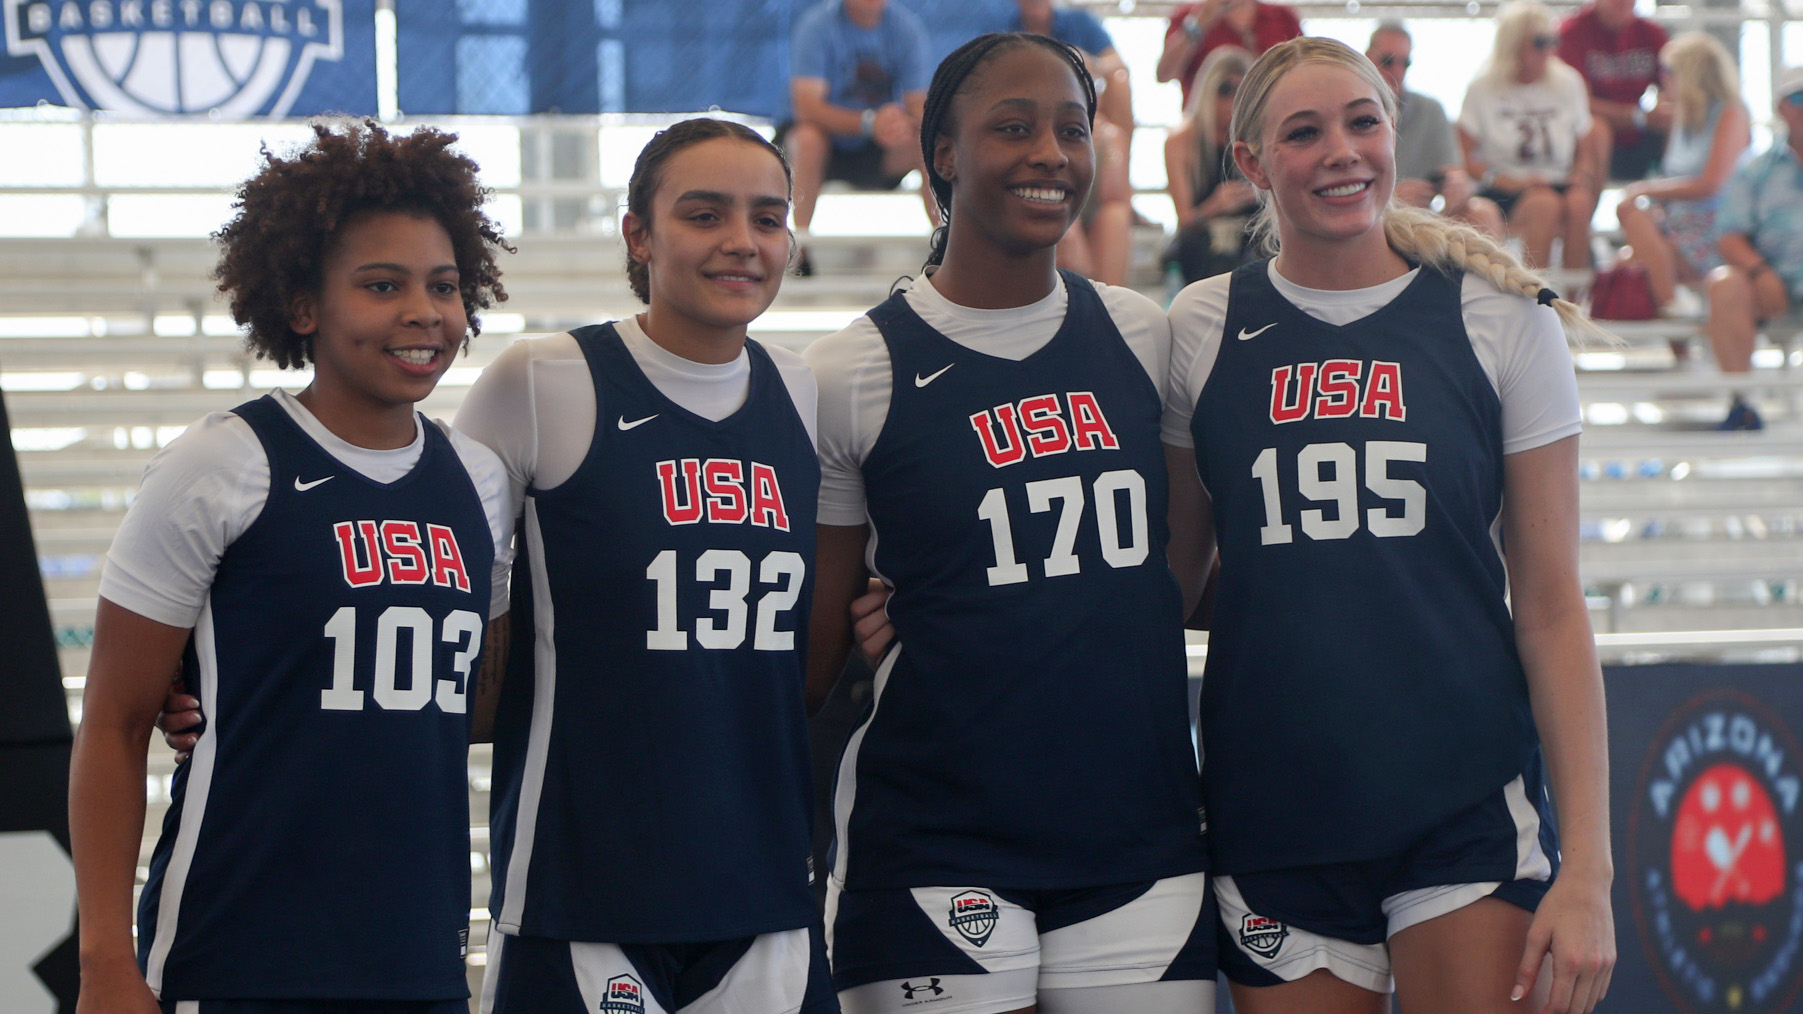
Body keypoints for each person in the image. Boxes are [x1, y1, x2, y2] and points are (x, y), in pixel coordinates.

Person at [1165, 35, 1616, 1014]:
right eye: (1303, 132)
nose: (1341, 150)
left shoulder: (1501, 316)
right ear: (1250, 163)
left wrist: (1589, 868)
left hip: (1462, 806)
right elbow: (1169, 588)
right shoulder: (1200, 326)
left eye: (1362, 122)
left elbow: (1550, 608)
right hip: (1271, 808)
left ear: (1393, 132)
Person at [804, 32, 1215, 1014]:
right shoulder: (851, 370)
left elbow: (1172, 576)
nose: (1050, 154)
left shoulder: (1142, 334)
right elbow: (816, 646)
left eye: (1072, 130)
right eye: (1014, 127)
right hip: (930, 840)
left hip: (1138, 836)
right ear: (943, 153)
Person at [70, 120, 517, 1014]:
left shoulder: (479, 480)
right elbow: (113, 724)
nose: (424, 311)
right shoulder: (222, 462)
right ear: (304, 307)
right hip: (234, 957)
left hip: (419, 962)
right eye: (382, 285)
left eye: (443, 285)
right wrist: (104, 963)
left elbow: (468, 707)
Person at [454, 118, 838, 1013]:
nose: (741, 241)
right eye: (704, 215)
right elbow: (434, 586)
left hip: (765, 892)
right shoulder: (541, 381)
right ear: (639, 234)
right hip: (581, 895)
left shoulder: (801, 391)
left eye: (767, 218)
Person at [1459, 1, 1606, 269]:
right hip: (1504, 185)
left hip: (1557, 178)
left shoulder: (1567, 82)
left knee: (1580, 202)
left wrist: (1581, 176)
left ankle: (1576, 290)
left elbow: (1585, 149)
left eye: (1553, 41)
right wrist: (1511, 182)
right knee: (1544, 204)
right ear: (1514, 44)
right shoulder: (1483, 88)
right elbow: (1466, 158)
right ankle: (1535, 289)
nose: (1548, 50)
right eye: (1539, 42)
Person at [785, 0, 931, 269]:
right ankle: (800, 252)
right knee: (808, 138)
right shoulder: (817, 26)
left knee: (928, 141)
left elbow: (918, 106)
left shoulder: (906, 28)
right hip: (826, 147)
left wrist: (899, 124)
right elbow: (807, 108)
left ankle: (947, 244)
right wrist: (869, 122)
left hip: (877, 147)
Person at [1612, 32, 1749, 314]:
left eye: (1667, 70)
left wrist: (1644, 189)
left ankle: (1673, 308)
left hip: (1714, 228)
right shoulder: (1680, 117)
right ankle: (1674, 311)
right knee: (1629, 247)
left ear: (1690, 74)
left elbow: (1711, 185)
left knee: (1634, 247)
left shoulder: (1730, 113)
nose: (1661, 77)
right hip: (1677, 223)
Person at [1702, 66, 1803, 431]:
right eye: (1799, 98)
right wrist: (1760, 272)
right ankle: (1741, 404)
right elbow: (1729, 234)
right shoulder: (1756, 170)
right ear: (1781, 108)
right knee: (1725, 284)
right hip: (1773, 281)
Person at [1007, 0, 1136, 285]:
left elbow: (1116, 65)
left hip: (1080, 127)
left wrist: (1082, 62)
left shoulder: (1078, 22)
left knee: (1115, 207)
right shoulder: (1000, 24)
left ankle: (1104, 300)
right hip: (1036, 132)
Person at [1365, 20, 1503, 238]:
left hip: (1424, 219)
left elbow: (1453, 170)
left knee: (1483, 213)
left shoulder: (1430, 110)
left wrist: (1458, 187)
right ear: (1368, 60)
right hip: (1370, 217)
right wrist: (1389, 199)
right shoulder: (1353, 114)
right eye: (1388, 61)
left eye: (1405, 63)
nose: (1397, 71)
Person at [1164, 45, 1261, 284]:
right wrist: (1215, 206)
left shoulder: (1258, 138)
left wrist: (1260, 193)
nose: (1232, 100)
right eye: (1225, 90)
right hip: (1203, 241)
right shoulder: (1182, 141)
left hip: (1253, 236)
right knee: (1193, 244)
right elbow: (1185, 220)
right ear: (1208, 90)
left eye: (1240, 91)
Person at [1557, 0, 1669, 182]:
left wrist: (1662, 109)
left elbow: (1674, 83)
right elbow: (1578, 102)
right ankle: (1588, 192)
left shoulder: (1649, 31)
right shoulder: (1572, 31)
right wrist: (1634, 116)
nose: (1624, 4)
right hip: (1598, 128)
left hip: (1641, 129)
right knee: (1596, 128)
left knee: (1675, 118)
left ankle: (1674, 189)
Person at [1156, 0, 1301, 110]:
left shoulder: (1282, 17)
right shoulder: (1188, 17)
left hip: (1267, 120)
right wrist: (1200, 23)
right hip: (1204, 131)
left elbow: (1302, 70)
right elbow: (1164, 75)